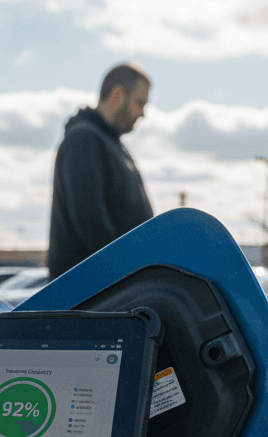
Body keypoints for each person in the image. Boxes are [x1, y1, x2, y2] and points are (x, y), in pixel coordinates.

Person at [47, 63, 154, 279]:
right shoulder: (84, 139)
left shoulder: (111, 143)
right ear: (118, 95)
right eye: (140, 103)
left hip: (110, 290)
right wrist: (126, 272)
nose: (142, 114)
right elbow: (89, 219)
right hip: (93, 295)